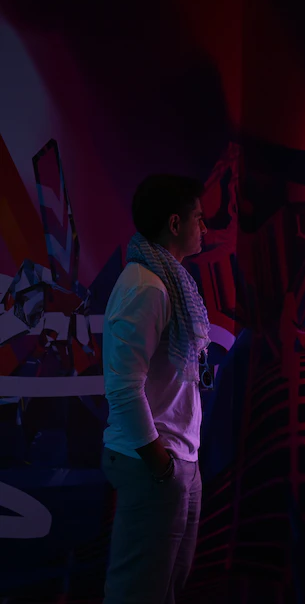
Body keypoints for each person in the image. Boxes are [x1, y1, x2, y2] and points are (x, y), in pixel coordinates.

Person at [101, 174, 210, 604]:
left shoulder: (169, 280)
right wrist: (161, 465)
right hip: (153, 463)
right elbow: (123, 389)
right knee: (138, 592)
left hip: (177, 459)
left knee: (166, 588)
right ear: (175, 223)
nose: (205, 227)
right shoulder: (145, 286)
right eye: (199, 218)